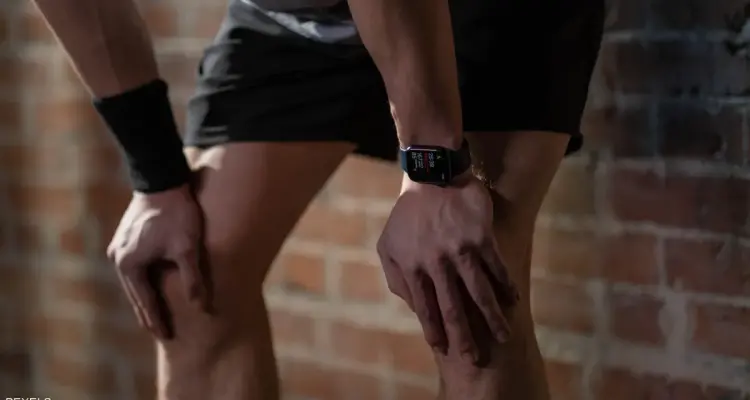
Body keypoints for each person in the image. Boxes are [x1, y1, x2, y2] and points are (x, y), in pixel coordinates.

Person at [33, 0, 603, 398]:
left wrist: (435, 173)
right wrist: (157, 180)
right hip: (296, 20)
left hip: (480, 11)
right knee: (188, 272)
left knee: (465, 292)